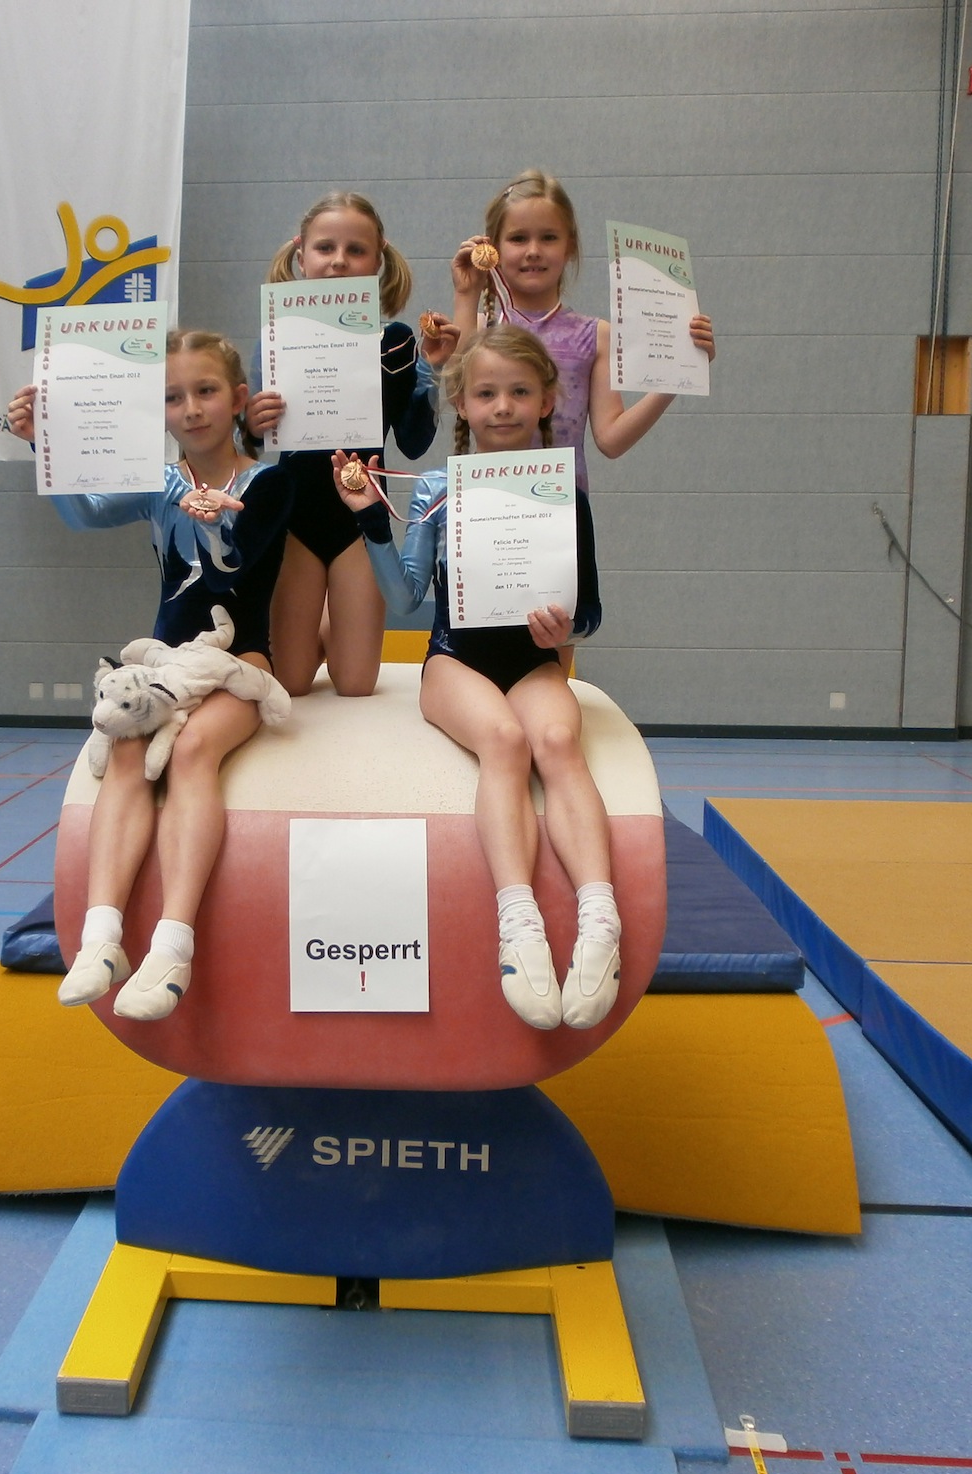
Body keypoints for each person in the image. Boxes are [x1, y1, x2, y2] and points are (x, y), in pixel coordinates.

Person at [333, 324, 620, 1031]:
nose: (503, 406)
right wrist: (372, 521)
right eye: (487, 393)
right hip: (454, 661)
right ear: (461, 403)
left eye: (520, 392)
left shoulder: (562, 491)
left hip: (532, 661)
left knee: (557, 741)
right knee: (503, 740)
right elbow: (406, 600)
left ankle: (600, 919)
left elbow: (590, 611)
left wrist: (567, 629)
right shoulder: (437, 488)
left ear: (547, 399)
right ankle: (518, 923)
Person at [5, 330, 294, 1021]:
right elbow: (83, 515)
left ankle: (173, 944)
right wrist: (45, 444)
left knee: (190, 752)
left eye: (206, 391)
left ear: (239, 399)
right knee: (129, 754)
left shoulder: (267, 483)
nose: (190, 409)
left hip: (239, 660)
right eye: (172, 397)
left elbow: (238, 567)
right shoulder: (161, 484)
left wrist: (217, 521)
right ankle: (101, 938)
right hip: (162, 663)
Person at [246, 192, 461, 698]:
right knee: (291, 682)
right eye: (325, 248)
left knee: (356, 683)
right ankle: (321, 624)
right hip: (295, 519)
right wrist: (251, 424)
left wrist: (430, 370)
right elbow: (252, 443)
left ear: (378, 259)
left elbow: (414, 443)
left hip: (361, 518)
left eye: (356, 250)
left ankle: (331, 625)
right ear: (301, 254)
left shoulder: (398, 341)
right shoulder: (277, 337)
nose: (339, 260)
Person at [449, 169, 715, 490]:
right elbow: (455, 397)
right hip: (486, 502)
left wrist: (676, 374)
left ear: (570, 246)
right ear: (493, 248)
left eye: (548, 237)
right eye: (518, 238)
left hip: (567, 508)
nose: (533, 250)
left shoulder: (595, 335)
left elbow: (611, 440)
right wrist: (466, 295)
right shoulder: (481, 328)